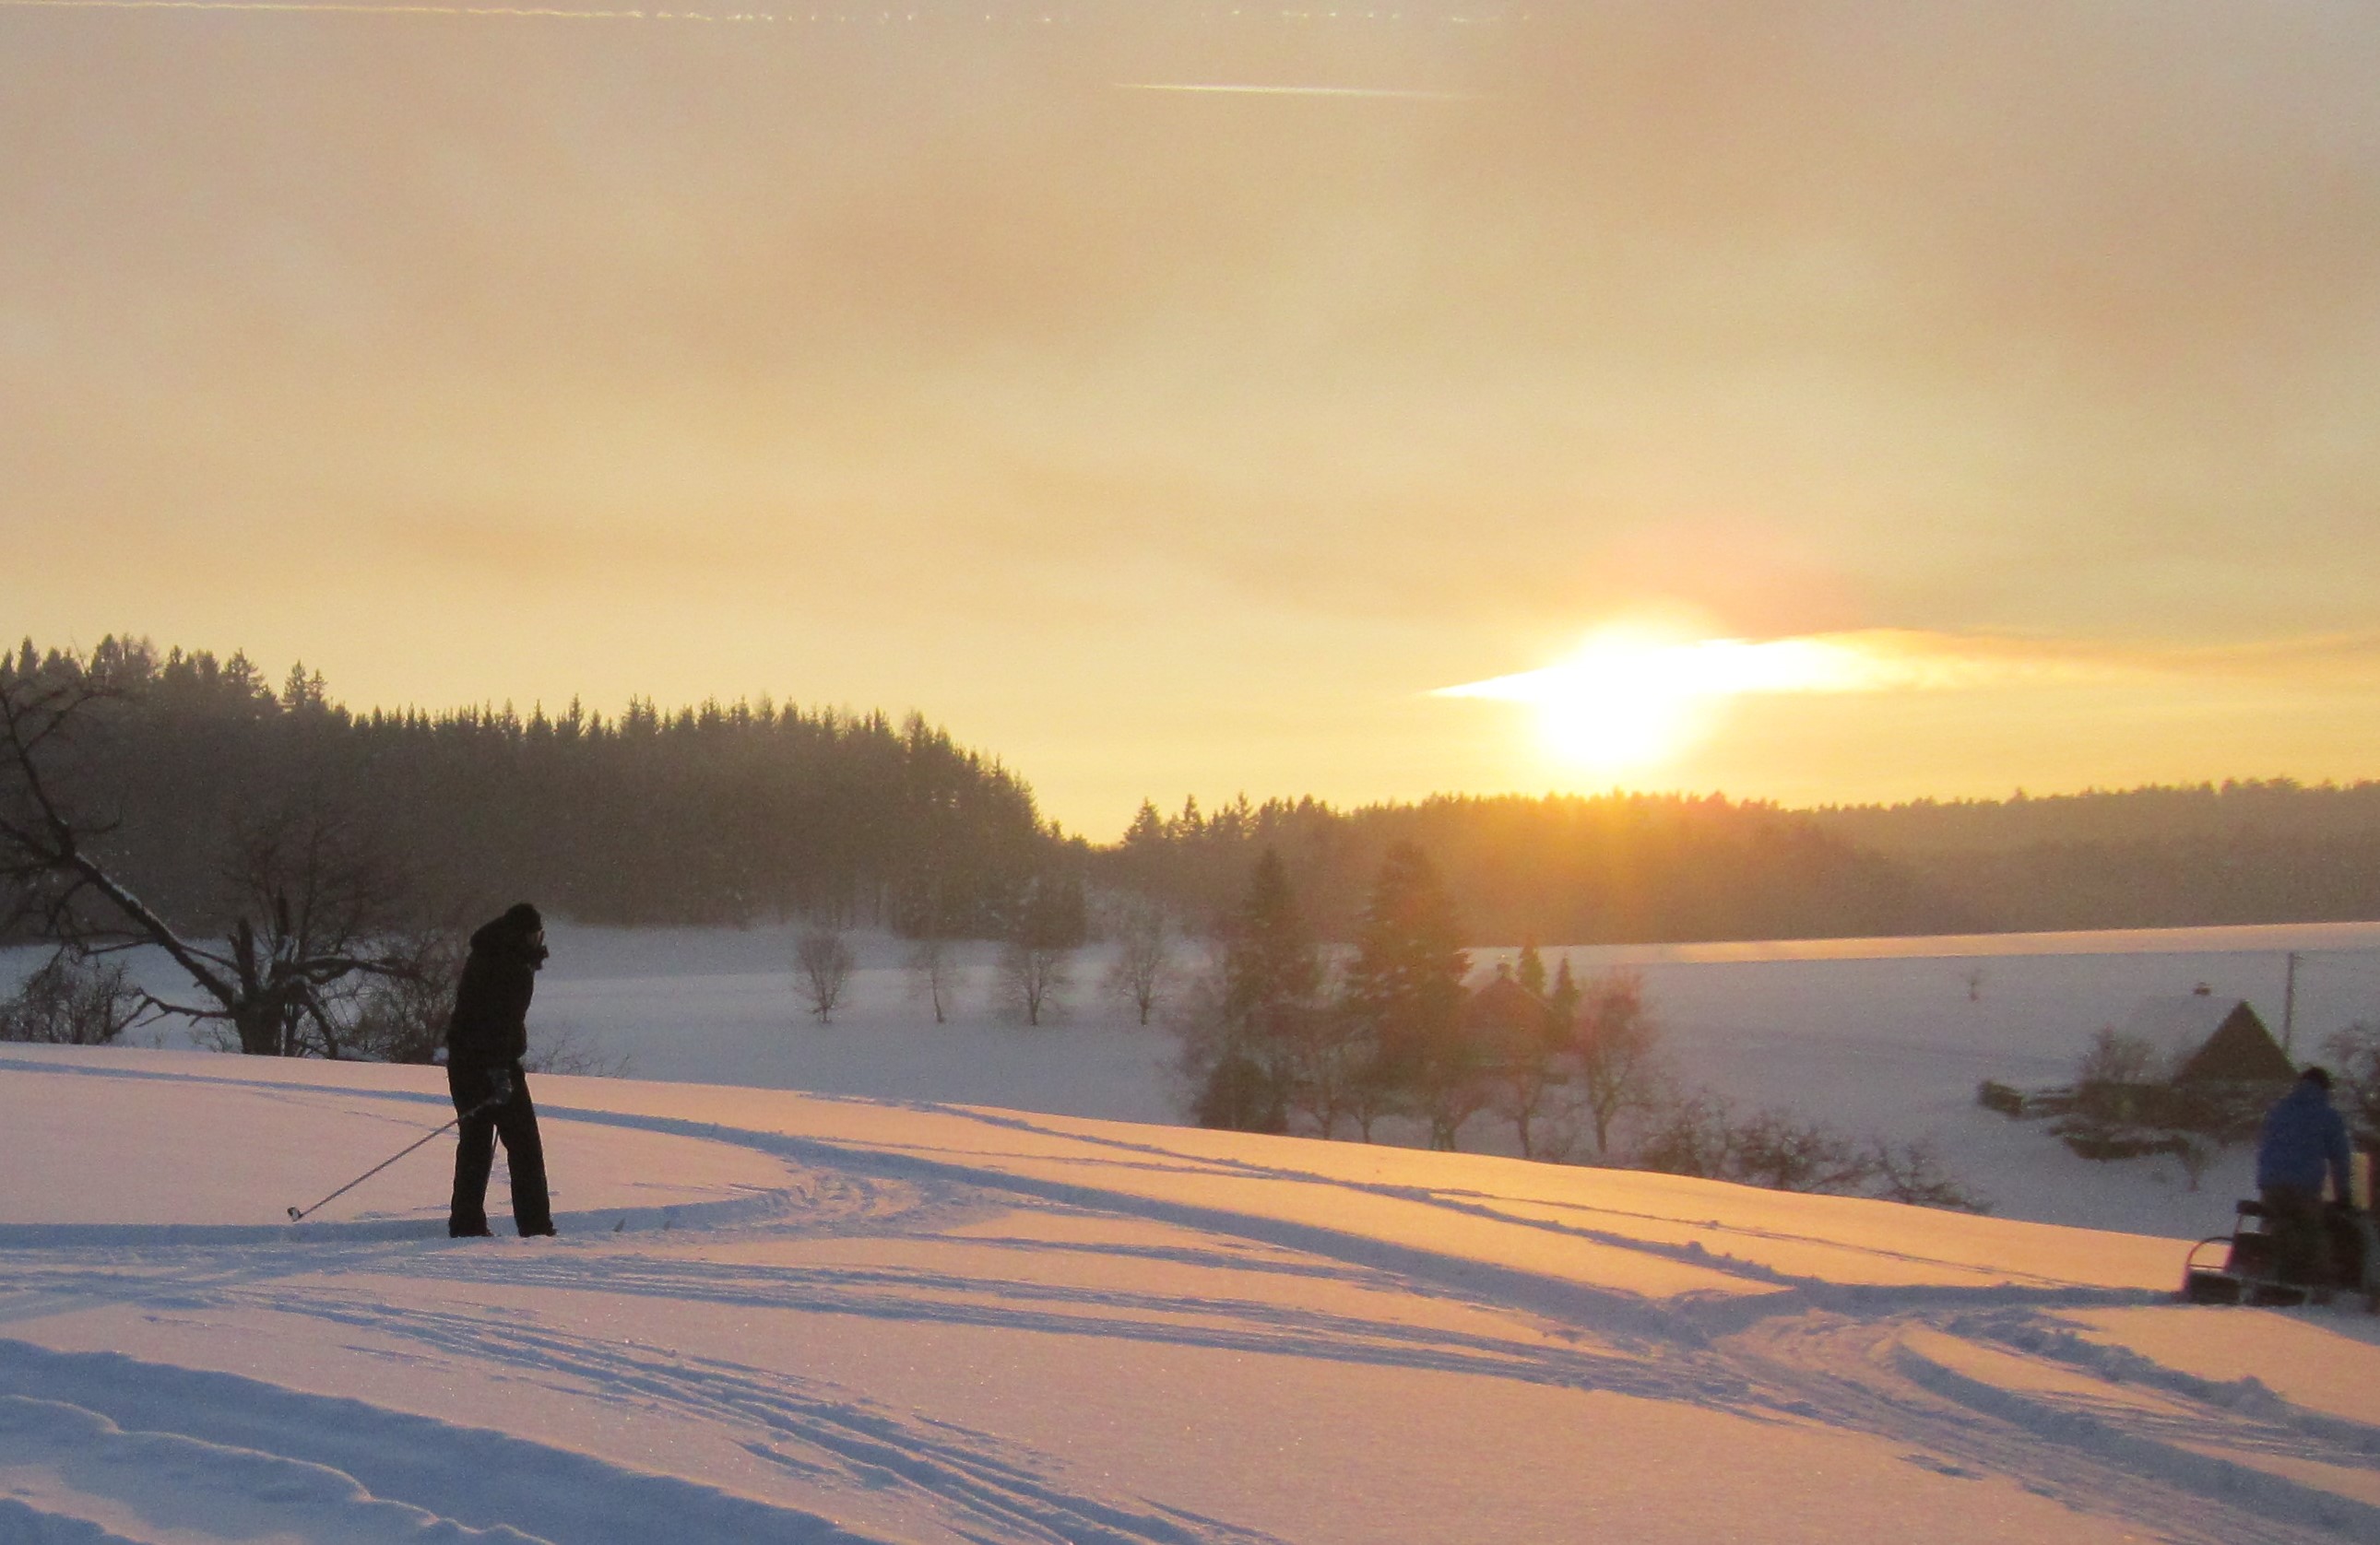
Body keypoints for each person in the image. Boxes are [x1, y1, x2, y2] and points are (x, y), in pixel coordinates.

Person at [444, 902, 555, 1238]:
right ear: (525, 936)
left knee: (475, 1144)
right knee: (524, 1148)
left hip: (464, 1063)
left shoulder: (488, 953)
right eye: (537, 935)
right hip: (490, 1065)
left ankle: (466, 1223)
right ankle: (535, 1226)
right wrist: (497, 1072)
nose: (540, 942)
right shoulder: (510, 966)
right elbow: (496, 1022)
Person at [2255, 1066, 2354, 1297]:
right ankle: (2321, 1288)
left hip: (2271, 1185)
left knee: (2276, 1225)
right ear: (2324, 1088)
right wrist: (2344, 1195)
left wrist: (2266, 1180)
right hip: (2303, 1187)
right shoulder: (2327, 1115)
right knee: (2313, 1233)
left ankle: (2267, 1269)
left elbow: (2265, 1146)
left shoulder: (2279, 1110)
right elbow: (2340, 1158)